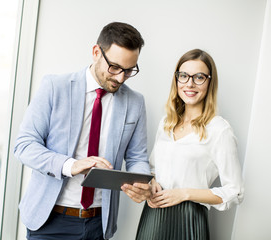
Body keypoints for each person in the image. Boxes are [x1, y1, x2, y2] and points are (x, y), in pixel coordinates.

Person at [14, 22, 151, 240]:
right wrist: (71, 165)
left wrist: (142, 182)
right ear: (96, 52)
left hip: (98, 223)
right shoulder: (54, 87)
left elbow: (137, 157)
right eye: (115, 67)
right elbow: (24, 146)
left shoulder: (134, 102)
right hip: (49, 221)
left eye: (129, 70)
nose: (120, 78)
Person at [123, 49, 244, 239]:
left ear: (210, 82)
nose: (190, 83)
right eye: (184, 76)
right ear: (177, 80)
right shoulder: (166, 123)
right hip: (153, 215)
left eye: (199, 77)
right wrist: (152, 182)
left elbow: (234, 192)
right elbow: (154, 169)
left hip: (189, 219)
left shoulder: (219, 130)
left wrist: (185, 194)